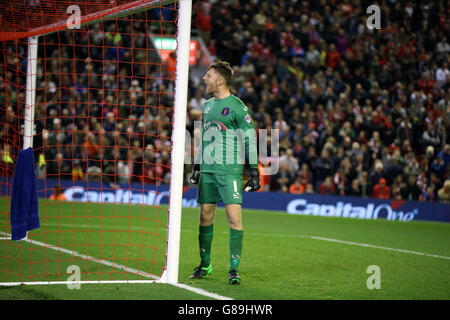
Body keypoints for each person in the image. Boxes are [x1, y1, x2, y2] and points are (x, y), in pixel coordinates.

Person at [189, 61, 261, 285]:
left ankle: (234, 268)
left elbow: (249, 138)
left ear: (219, 80)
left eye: (208, 75)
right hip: (208, 170)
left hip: (230, 171)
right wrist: (198, 165)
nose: (204, 79)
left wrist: (254, 170)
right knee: (204, 216)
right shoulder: (207, 106)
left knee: (233, 217)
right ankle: (205, 264)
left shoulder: (238, 107)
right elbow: (205, 136)